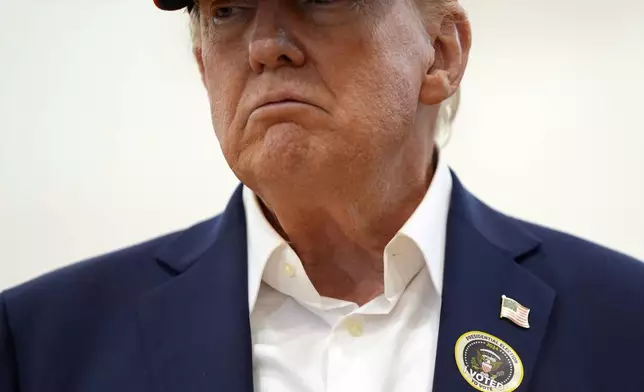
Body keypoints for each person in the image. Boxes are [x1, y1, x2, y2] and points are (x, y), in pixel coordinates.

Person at [1, 0, 643, 391]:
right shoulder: (40, 348)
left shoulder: (624, 325)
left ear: (441, 53)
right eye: (226, 9)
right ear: (204, 69)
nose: (264, 46)